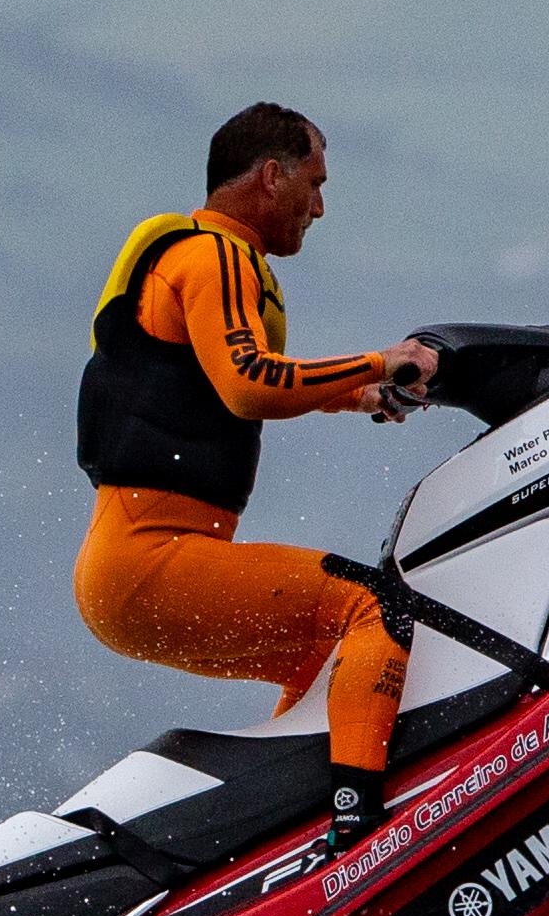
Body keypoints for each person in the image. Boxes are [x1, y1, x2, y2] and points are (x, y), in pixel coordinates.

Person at [74, 104, 449, 852]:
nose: (319, 206)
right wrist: (378, 363)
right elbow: (250, 384)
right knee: (373, 607)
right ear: (270, 176)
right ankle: (356, 834)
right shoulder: (211, 258)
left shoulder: (217, 259)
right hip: (150, 562)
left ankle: (284, 839)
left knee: (322, 666)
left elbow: (231, 380)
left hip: (134, 570)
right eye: (312, 183)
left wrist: (361, 396)